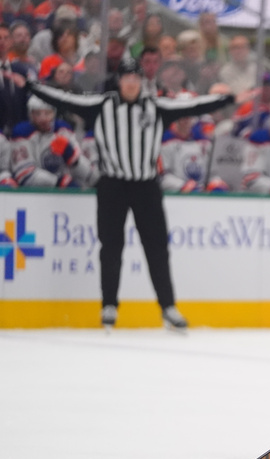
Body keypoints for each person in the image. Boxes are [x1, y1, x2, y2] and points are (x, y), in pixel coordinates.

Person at [22, 58, 243, 331]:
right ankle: (109, 305)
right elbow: (65, 99)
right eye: (126, 78)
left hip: (146, 185)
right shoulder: (101, 105)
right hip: (112, 184)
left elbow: (194, 105)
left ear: (140, 81)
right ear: (120, 81)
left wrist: (228, 98)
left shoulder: (156, 106)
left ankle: (168, 307)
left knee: (157, 248)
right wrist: (31, 86)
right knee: (111, 247)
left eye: (135, 78)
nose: (131, 83)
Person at [11, 96, 96, 188]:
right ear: (31, 115)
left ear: (54, 113)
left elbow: (90, 176)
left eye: (47, 113)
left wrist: (73, 158)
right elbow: (24, 175)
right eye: (37, 114)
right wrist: (59, 182)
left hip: (65, 196)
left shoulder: (64, 131)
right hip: (34, 196)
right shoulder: (22, 134)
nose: (43, 118)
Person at [158, 93, 227, 194]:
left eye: (189, 113)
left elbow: (212, 173)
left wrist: (216, 184)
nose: (186, 118)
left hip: (202, 199)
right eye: (182, 113)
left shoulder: (204, 142)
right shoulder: (165, 141)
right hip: (177, 199)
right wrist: (183, 186)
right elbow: (163, 177)